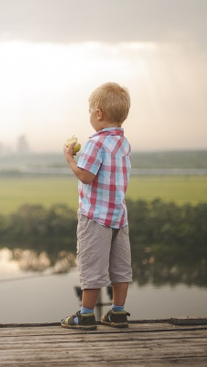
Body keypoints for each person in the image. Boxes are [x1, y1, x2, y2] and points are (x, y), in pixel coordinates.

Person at [61, 82, 133, 331]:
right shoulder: (123, 144)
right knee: (120, 266)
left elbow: (86, 176)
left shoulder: (96, 144)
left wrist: (70, 158)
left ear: (99, 114)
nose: (90, 116)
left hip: (95, 216)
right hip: (118, 216)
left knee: (91, 262)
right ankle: (118, 313)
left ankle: (86, 315)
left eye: (90, 112)